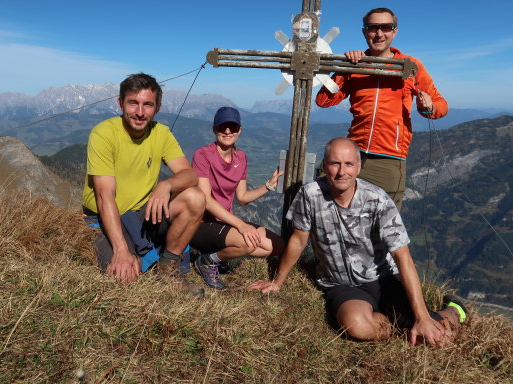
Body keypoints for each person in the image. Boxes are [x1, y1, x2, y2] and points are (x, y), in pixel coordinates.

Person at [248, 137, 468, 346]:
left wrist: (421, 317)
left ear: (359, 167)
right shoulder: (310, 194)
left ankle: (453, 311)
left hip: (384, 279)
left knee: (441, 338)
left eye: (349, 164)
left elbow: (403, 257)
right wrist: (277, 282)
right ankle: (401, 323)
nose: (342, 172)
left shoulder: (378, 199)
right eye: (335, 164)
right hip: (340, 283)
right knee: (356, 327)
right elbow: (298, 241)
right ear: (325, 166)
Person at [82, 73, 206, 296]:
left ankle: (167, 269)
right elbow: (104, 196)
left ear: (157, 107)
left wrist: (165, 186)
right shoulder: (104, 134)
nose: (140, 112)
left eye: (147, 104)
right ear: (120, 104)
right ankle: (141, 253)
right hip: (107, 216)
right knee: (124, 276)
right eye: (133, 103)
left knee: (195, 198)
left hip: (142, 212)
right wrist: (120, 250)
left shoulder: (161, 133)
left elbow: (189, 175)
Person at [315, 8, 448, 210]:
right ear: (364, 32)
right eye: (373, 28)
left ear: (394, 31)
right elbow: (324, 100)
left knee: (383, 227)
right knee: (325, 210)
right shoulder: (355, 65)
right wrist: (344, 67)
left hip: (389, 159)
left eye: (385, 27)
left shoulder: (411, 66)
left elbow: (441, 107)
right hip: (353, 153)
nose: (379, 34)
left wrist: (428, 105)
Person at [189, 107, 285, 290]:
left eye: (232, 127)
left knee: (276, 245)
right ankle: (207, 261)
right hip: (201, 222)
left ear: (239, 129)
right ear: (214, 128)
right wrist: (241, 225)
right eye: (222, 127)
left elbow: (241, 198)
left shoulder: (241, 157)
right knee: (247, 243)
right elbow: (206, 201)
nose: (227, 132)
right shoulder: (203, 155)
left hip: (224, 221)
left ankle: (220, 254)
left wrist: (268, 186)